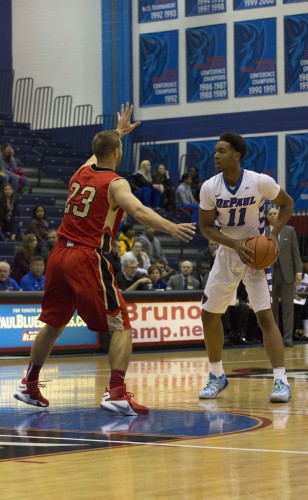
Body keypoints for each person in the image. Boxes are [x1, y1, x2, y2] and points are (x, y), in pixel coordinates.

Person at [13, 103, 195, 415]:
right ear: (118, 153)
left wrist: (118, 132)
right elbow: (138, 211)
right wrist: (170, 227)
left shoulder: (80, 172)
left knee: (54, 323)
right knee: (121, 325)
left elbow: (98, 154)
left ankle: (29, 383)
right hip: (86, 255)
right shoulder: (116, 183)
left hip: (59, 254)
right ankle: (116, 392)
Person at [198, 131, 293, 403]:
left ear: (237, 155)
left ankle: (281, 382)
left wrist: (273, 235)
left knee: (265, 317)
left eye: (222, 151)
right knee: (208, 315)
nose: (216, 155)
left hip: (255, 255)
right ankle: (217, 375)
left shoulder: (259, 181)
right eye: (215, 151)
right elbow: (205, 227)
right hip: (228, 253)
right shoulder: (209, 187)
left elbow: (286, 204)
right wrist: (233, 244)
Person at [266, 206, 302, 347]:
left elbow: (296, 252)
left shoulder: (289, 230)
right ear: (267, 217)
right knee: (272, 309)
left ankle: (288, 337)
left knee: (288, 308)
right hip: (270, 274)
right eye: (270, 214)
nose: (273, 215)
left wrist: (298, 271)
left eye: (275, 213)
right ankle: (274, 338)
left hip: (287, 274)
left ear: (279, 215)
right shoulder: (263, 233)